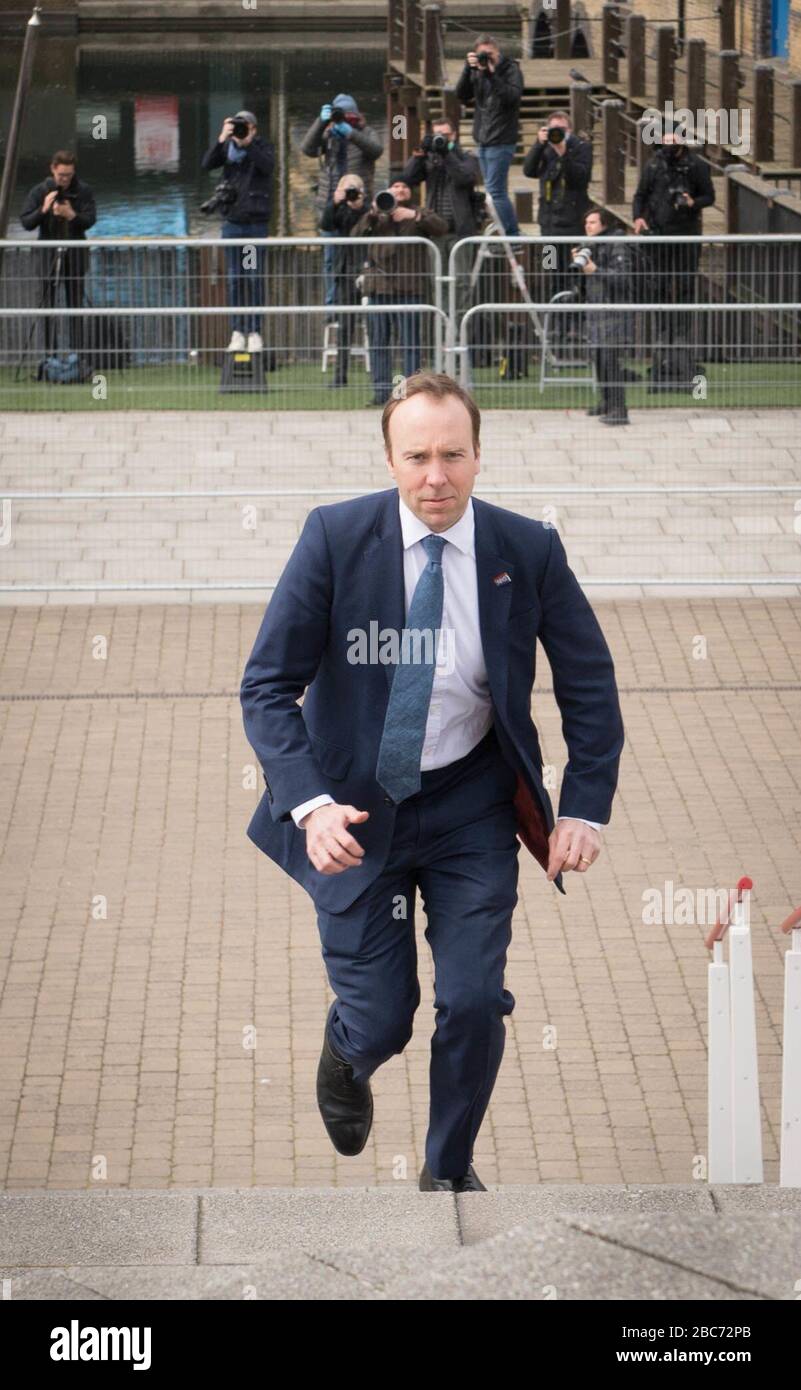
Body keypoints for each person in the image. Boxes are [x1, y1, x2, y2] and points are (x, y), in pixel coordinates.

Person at [240, 371, 625, 1190]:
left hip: (468, 806)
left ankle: (446, 1171)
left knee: (475, 997)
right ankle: (350, 1051)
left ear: (479, 456)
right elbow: (267, 685)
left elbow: (589, 684)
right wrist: (306, 806)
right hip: (352, 813)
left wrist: (583, 810)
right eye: (416, 456)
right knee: (384, 1017)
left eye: (452, 454)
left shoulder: (527, 549)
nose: (435, 476)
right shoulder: (334, 539)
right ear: (389, 459)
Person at [350, 180, 447, 405]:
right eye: (395, 187)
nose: (400, 190)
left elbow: (441, 227)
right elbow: (354, 236)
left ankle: (409, 392)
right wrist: (372, 213)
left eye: (404, 186)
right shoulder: (376, 214)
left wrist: (414, 216)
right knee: (378, 342)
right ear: (387, 191)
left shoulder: (419, 212)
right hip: (378, 290)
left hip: (409, 289)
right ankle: (381, 393)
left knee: (410, 343)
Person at [632, 128, 715, 362]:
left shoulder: (696, 165)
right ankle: (662, 334)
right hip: (658, 233)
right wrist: (638, 217)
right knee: (658, 284)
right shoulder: (653, 165)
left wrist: (692, 202)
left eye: (673, 140)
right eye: (665, 140)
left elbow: (709, 197)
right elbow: (640, 195)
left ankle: (682, 335)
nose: (669, 144)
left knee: (686, 284)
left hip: (686, 233)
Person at [201, 110, 274, 353]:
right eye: (238, 127)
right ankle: (236, 331)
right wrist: (222, 138)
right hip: (233, 223)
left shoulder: (262, 148)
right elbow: (206, 164)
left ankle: (254, 330)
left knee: (252, 277)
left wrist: (248, 144)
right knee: (234, 279)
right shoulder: (227, 149)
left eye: (246, 127)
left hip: (254, 225)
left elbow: (267, 167)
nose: (241, 132)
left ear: (254, 129)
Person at [301, 94, 383, 307]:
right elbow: (307, 149)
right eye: (340, 116)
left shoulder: (366, 133)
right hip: (332, 207)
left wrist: (351, 134)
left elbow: (376, 150)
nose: (343, 120)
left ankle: (363, 307)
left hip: (359, 209)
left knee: (364, 262)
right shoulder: (328, 134)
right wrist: (321, 122)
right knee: (331, 263)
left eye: (348, 116)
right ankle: (334, 309)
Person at [401, 115, 482, 330]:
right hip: (435, 231)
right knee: (439, 282)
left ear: (453, 135)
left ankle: (462, 333)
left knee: (462, 282)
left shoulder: (466, 157)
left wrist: (447, 152)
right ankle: (443, 331)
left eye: (445, 136)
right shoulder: (430, 160)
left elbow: (465, 178)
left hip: (459, 231)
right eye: (438, 136)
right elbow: (407, 179)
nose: (441, 140)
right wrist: (419, 155)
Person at [20, 150, 97, 356]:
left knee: (75, 307)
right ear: (53, 169)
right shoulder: (40, 191)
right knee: (47, 308)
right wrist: (44, 209)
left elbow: (90, 220)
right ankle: (49, 356)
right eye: (61, 175)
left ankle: (78, 355)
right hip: (47, 256)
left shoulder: (83, 191)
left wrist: (72, 215)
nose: (64, 180)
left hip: (75, 255)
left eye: (69, 175)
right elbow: (26, 222)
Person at [455, 33, 523, 237]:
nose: (486, 58)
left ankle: (511, 234)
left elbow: (512, 97)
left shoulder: (511, 69)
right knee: (492, 191)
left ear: (497, 51)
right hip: (483, 138)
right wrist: (469, 68)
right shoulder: (476, 70)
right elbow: (462, 94)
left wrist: (492, 74)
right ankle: (504, 229)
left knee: (495, 191)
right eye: (482, 54)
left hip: (502, 139)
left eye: (490, 54)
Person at [572, 207, 634, 426]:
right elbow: (582, 286)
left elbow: (623, 279)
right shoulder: (590, 246)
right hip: (596, 312)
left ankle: (620, 409)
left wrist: (595, 270)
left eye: (593, 223)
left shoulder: (617, 244)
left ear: (605, 225)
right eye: (586, 223)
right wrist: (581, 268)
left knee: (610, 360)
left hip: (614, 312)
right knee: (598, 358)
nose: (588, 227)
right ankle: (607, 402)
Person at [523, 110, 592, 299]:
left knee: (575, 274)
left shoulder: (581, 147)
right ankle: (554, 322)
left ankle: (575, 322)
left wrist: (563, 153)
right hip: (548, 227)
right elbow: (529, 170)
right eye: (553, 129)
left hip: (573, 227)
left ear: (569, 130)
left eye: (561, 129)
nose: (557, 133)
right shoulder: (544, 147)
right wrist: (538, 144)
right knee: (550, 273)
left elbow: (581, 178)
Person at [319, 174, 366, 388]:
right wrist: (335, 203)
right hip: (346, 272)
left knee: (378, 324)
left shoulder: (370, 210)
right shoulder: (338, 210)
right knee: (345, 327)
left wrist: (360, 206)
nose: (351, 193)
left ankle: (384, 377)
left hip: (369, 272)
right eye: (347, 189)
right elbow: (327, 225)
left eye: (355, 189)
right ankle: (340, 376)